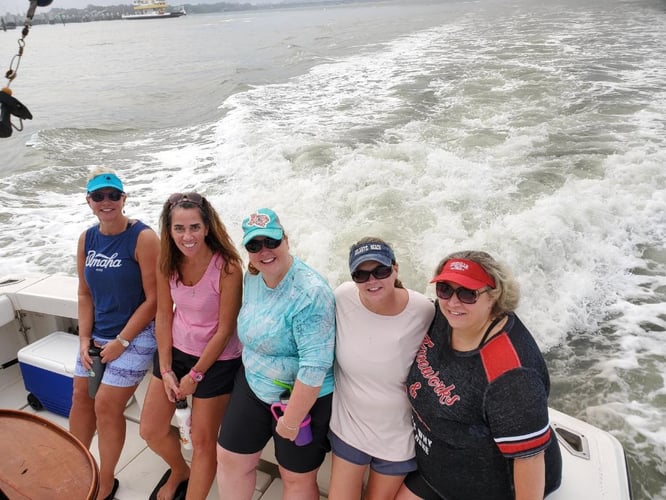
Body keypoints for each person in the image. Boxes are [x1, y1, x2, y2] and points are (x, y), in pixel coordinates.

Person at [396, 251, 562, 500]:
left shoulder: (511, 376)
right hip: (435, 474)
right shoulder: (447, 317)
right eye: (445, 289)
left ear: (494, 296)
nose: (453, 302)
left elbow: (530, 458)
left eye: (467, 293)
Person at [216, 208, 336, 500]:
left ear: (286, 240)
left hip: (302, 398)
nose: (264, 251)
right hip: (253, 384)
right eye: (254, 246)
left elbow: (314, 368)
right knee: (231, 460)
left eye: (271, 242)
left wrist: (291, 421)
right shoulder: (253, 275)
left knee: (295, 478)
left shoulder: (311, 292)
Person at [139, 192, 243, 500]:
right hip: (176, 351)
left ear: (208, 227)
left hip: (217, 359)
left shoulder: (228, 268)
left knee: (202, 440)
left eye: (194, 227)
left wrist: (194, 376)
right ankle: (179, 470)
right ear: (169, 231)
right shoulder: (166, 263)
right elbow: (162, 313)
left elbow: (225, 330)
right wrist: (167, 369)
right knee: (151, 430)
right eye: (179, 228)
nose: (187, 236)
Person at [70, 168, 160, 500]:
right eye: (98, 196)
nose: (106, 202)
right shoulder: (86, 239)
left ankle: (105, 480)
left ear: (124, 198)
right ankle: (78, 465)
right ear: (89, 201)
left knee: (106, 406)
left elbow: (154, 300)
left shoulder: (143, 238)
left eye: (113, 195)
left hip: (136, 334)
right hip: (96, 335)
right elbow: (84, 294)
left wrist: (122, 341)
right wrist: (83, 339)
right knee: (81, 397)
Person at [328, 237, 435, 500]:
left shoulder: (423, 310)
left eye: (381, 271)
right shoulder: (342, 297)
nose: (372, 280)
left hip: (398, 435)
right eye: (361, 274)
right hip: (350, 426)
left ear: (395, 269)